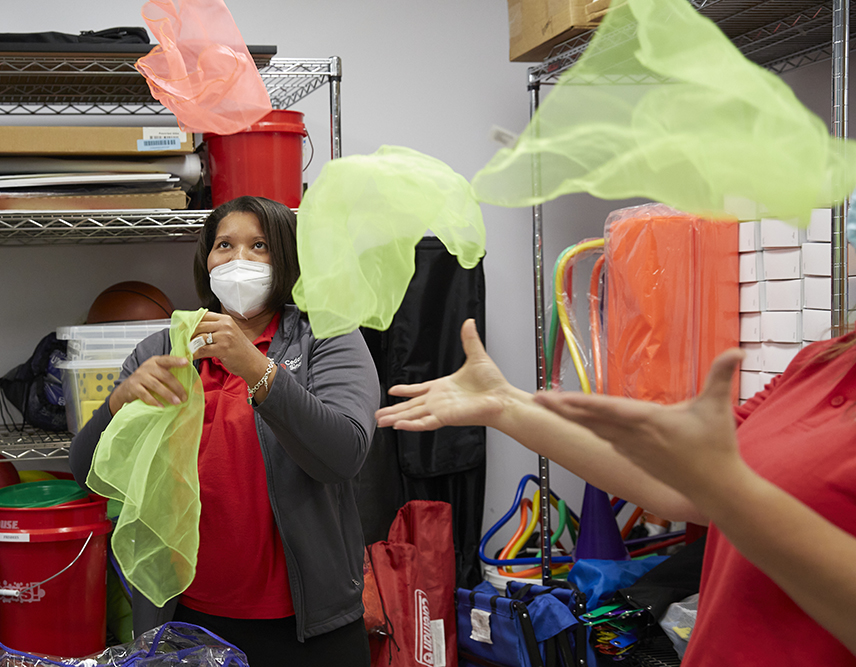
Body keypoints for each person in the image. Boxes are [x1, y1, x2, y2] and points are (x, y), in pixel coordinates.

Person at [376, 318, 856, 665]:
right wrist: (506, 407)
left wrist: (726, 486)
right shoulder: (824, 361)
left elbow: (717, 484)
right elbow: (681, 486)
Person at [71, 196, 379, 667]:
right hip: (186, 621)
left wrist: (255, 367)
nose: (239, 260)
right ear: (206, 260)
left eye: (260, 246)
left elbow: (343, 454)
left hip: (308, 628)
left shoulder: (325, 336)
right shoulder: (163, 347)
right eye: (224, 245)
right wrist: (118, 402)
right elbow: (86, 470)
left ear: (288, 259)